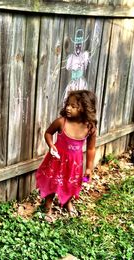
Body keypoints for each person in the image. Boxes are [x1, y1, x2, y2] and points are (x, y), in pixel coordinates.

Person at [36, 90, 97, 222]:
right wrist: (51, 145)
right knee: (53, 182)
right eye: (68, 104)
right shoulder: (61, 122)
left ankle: (67, 202)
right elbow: (48, 133)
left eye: (73, 106)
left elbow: (91, 148)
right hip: (57, 160)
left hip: (75, 163)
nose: (68, 108)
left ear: (85, 109)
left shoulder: (89, 127)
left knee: (71, 184)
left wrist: (89, 168)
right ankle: (48, 206)